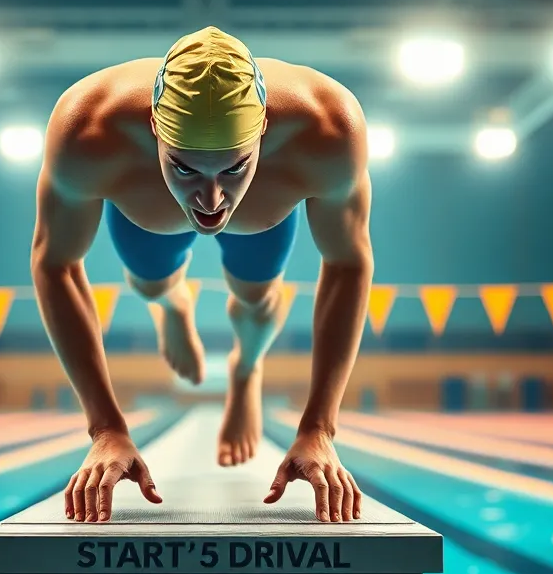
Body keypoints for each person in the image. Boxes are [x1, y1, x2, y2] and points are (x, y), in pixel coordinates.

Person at [31, 26, 373, 524]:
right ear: (153, 126)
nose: (212, 201)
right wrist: (105, 428)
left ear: (264, 129)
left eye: (233, 169)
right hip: (147, 208)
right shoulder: (88, 128)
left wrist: (319, 427)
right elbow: (54, 262)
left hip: (263, 212)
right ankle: (173, 304)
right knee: (152, 284)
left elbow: (348, 262)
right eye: (186, 169)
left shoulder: (327, 127)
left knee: (255, 300)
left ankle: (245, 368)